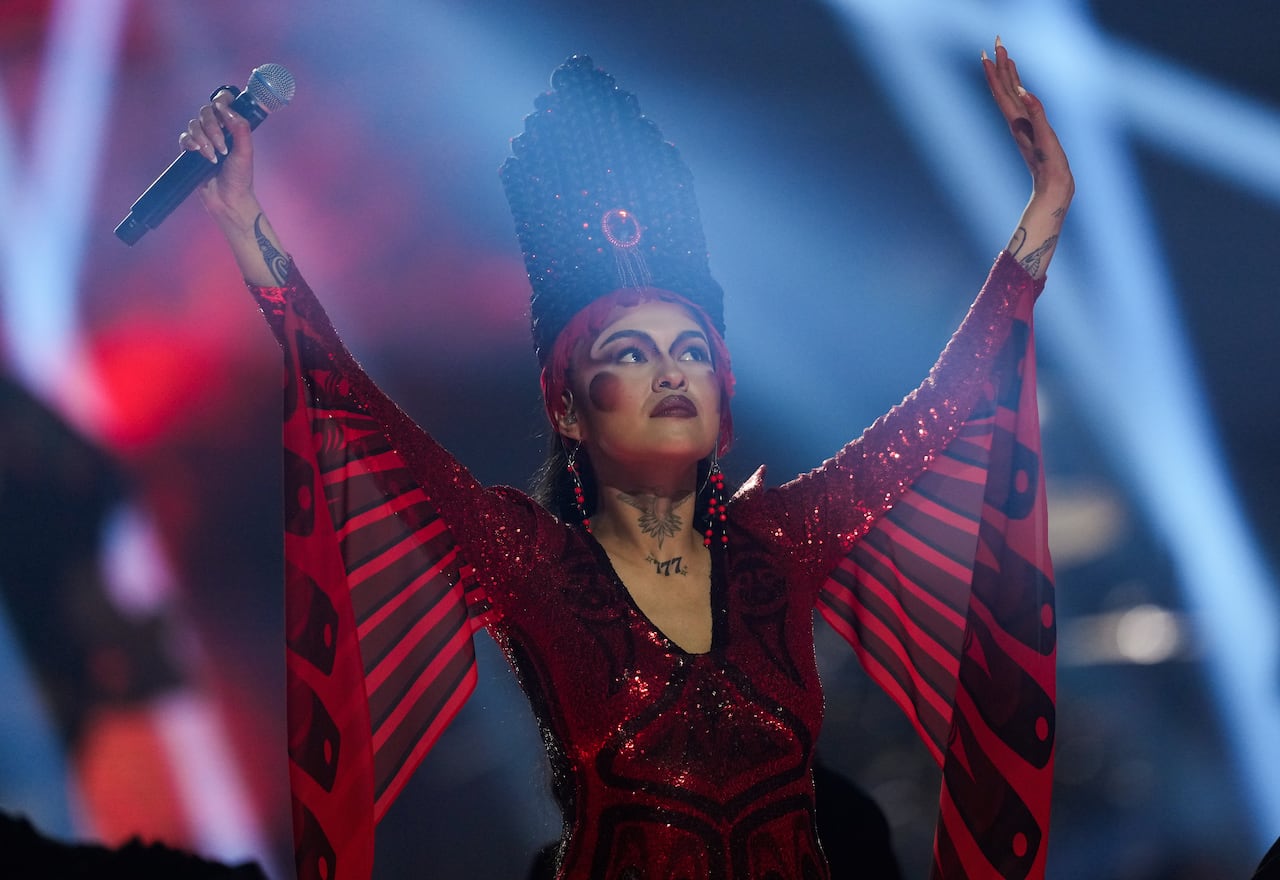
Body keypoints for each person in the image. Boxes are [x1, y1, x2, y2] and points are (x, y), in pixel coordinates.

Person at [178, 38, 1071, 880]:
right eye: (631, 355)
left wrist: (1045, 209)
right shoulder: (530, 563)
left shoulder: (779, 546)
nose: (671, 371)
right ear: (566, 405)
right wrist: (245, 220)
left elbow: (943, 408)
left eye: (690, 351)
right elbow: (359, 417)